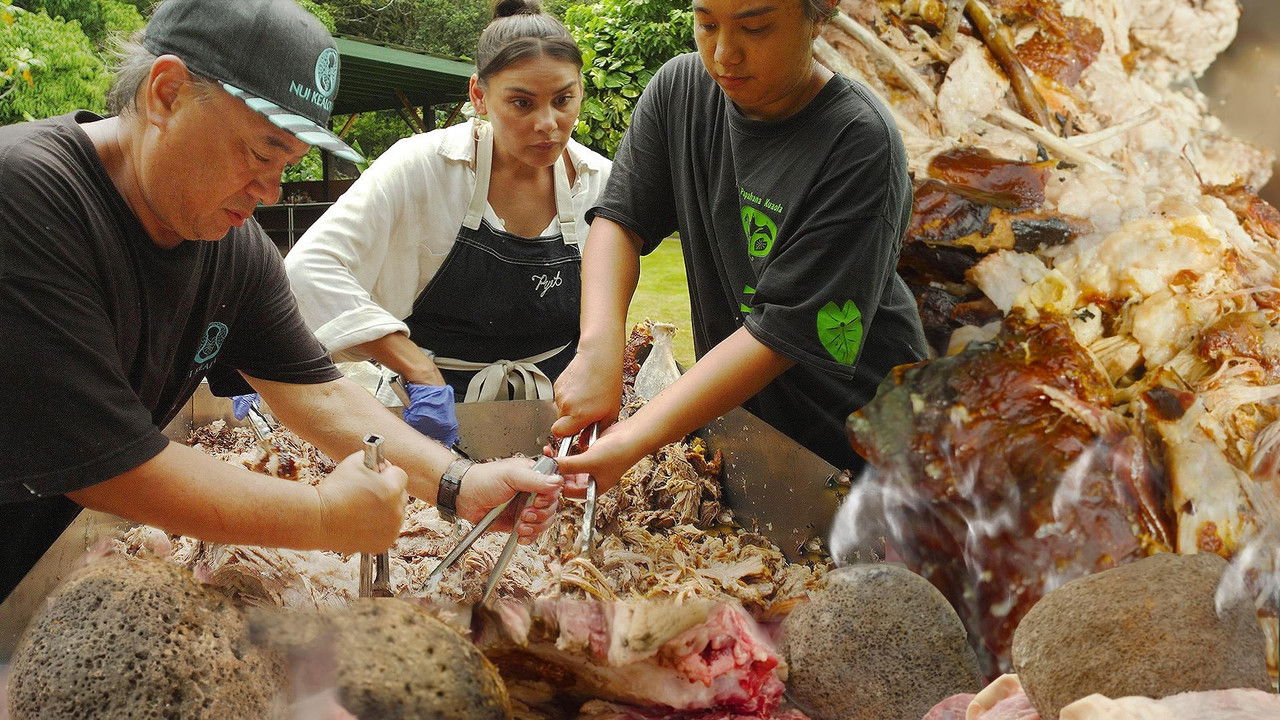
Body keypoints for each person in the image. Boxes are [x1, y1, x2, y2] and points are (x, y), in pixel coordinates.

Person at [0, 0, 562, 602]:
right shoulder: (27, 197)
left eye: (288, 165)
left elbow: (315, 393)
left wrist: (459, 483)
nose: (270, 192)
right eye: (263, 153)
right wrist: (321, 515)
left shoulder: (231, 247)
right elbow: (110, 468)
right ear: (167, 93)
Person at [551, 0, 928, 489]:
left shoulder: (857, 139)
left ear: (820, 15)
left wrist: (635, 437)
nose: (724, 54)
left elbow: (779, 334)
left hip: (860, 439)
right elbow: (620, 224)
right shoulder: (680, 91)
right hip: (744, 420)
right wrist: (599, 350)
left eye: (756, 27)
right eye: (706, 23)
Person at [285, 0, 611, 449]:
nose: (547, 124)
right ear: (479, 95)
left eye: (563, 100)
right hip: (428, 411)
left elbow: (606, 314)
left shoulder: (599, 184)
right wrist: (416, 368)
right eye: (521, 102)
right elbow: (309, 268)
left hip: (554, 415)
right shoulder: (422, 167)